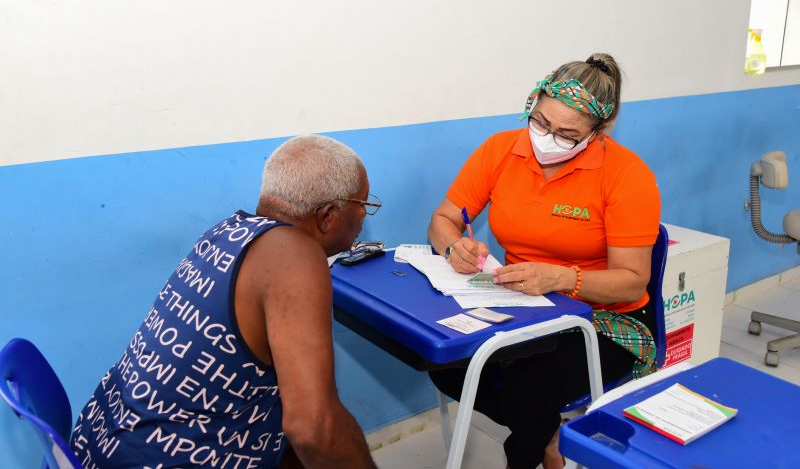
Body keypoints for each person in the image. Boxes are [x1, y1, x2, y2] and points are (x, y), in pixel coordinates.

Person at [70, 135, 378, 469]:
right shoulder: (296, 257)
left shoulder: (231, 231)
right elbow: (314, 430)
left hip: (103, 442)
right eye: (362, 203)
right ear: (327, 216)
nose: (364, 214)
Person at [427, 54, 660, 469]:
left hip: (603, 319)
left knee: (525, 391)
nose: (547, 138)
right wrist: (453, 248)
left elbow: (631, 282)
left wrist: (559, 278)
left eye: (567, 134)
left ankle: (532, 451)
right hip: (520, 303)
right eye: (540, 122)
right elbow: (444, 219)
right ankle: (551, 432)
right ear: (533, 104)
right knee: (446, 363)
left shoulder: (626, 175)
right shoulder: (501, 151)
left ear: (600, 130)